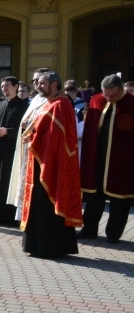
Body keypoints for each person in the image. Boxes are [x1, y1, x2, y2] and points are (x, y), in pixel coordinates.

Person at [21, 71, 82, 258]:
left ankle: (49, 247)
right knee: (38, 203)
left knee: (47, 203)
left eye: (42, 83)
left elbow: (56, 136)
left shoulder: (61, 105)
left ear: (54, 85)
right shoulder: (49, 103)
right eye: (37, 83)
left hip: (52, 162)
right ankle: (37, 244)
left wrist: (33, 137)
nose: (37, 86)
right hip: (42, 159)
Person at [78, 74, 134, 243]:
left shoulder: (131, 104)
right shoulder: (96, 100)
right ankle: (89, 230)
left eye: (113, 95)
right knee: (95, 197)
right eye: (106, 94)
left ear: (121, 89)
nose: (109, 98)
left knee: (119, 200)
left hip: (122, 161)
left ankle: (113, 234)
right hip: (98, 159)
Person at [0, 76, 28, 225]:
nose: (4, 89)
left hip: (13, 150)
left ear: (16, 86)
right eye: (2, 86)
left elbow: (27, 129)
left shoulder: (24, 106)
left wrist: (8, 132)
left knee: (10, 180)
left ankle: (10, 216)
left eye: (7, 85)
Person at [7, 70, 50, 220]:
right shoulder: (36, 99)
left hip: (40, 149)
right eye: (34, 81)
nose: (36, 84)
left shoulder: (51, 100)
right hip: (26, 146)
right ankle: (24, 214)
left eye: (39, 80)